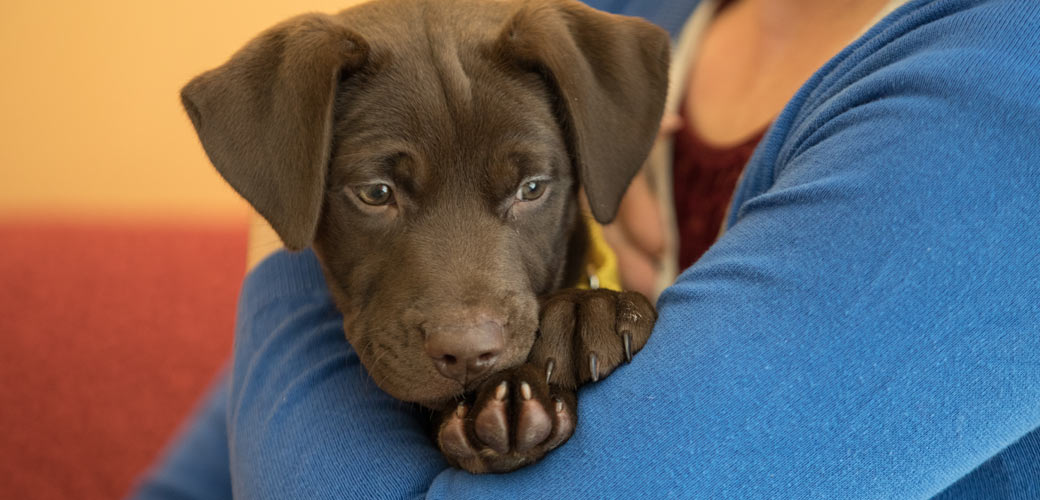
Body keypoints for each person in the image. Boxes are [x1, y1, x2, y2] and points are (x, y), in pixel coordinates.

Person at [132, 0, 1040, 497]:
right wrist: (293, 190)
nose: (473, 329)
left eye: (531, 186)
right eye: (375, 191)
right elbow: (196, 482)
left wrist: (306, 227)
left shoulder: (1005, 77)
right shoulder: (587, 33)